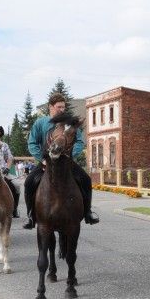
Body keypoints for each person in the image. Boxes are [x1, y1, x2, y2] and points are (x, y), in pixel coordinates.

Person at [22, 93, 99, 229]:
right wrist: (42, 159)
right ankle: (30, 216)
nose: (62, 110)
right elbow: (32, 143)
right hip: (46, 163)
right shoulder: (40, 123)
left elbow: (80, 142)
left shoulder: (70, 123)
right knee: (29, 183)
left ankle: (88, 212)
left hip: (67, 162)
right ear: (50, 107)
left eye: (63, 107)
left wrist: (69, 155)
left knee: (86, 180)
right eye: (59, 107)